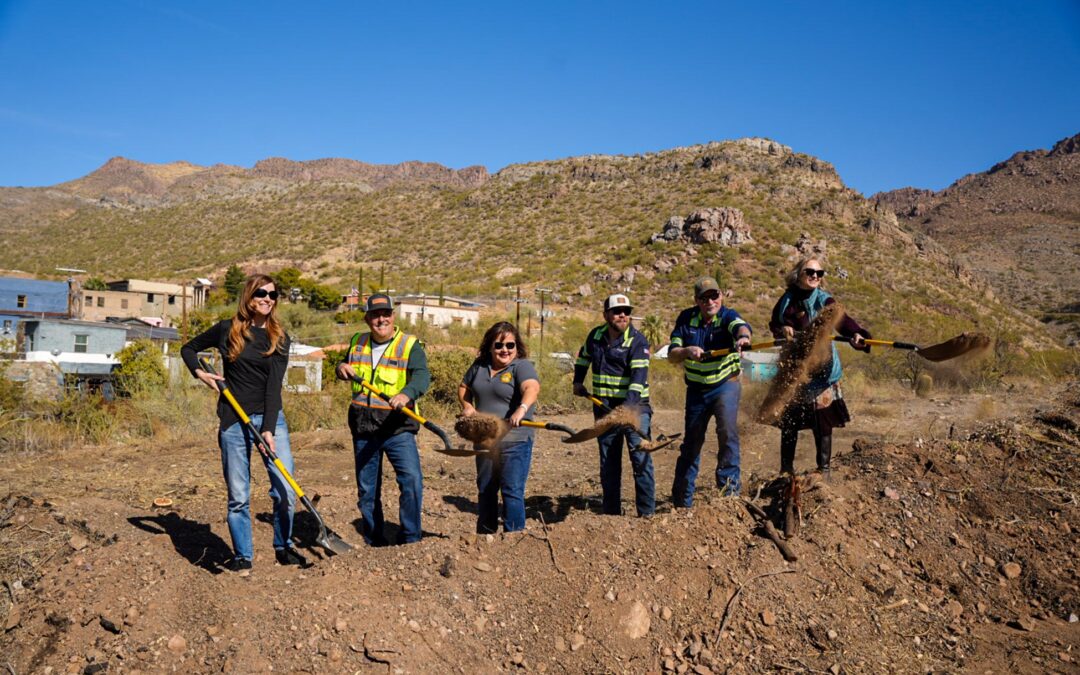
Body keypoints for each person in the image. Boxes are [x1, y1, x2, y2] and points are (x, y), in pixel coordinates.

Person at [181, 273, 306, 570]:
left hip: (269, 418)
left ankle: (284, 546)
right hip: (233, 421)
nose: (267, 299)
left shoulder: (280, 337)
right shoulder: (227, 330)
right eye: (261, 293)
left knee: (285, 489)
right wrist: (200, 372)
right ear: (249, 296)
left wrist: (268, 429)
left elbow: (274, 387)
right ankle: (242, 556)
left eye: (273, 295)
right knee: (238, 495)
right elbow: (188, 349)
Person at [335, 293, 429, 546]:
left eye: (385, 314)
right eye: (375, 315)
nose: (381, 319)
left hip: (397, 428)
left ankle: (410, 538)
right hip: (364, 428)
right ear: (367, 318)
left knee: (411, 482)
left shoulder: (409, 345)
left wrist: (406, 394)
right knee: (367, 490)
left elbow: (421, 377)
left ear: (393, 316)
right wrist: (341, 369)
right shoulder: (357, 341)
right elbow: (343, 365)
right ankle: (375, 540)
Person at [769, 258, 870, 476]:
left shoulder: (825, 301)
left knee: (822, 422)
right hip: (794, 369)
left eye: (819, 272)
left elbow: (844, 322)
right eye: (810, 271)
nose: (815, 276)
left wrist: (856, 335)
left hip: (822, 371)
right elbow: (775, 324)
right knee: (789, 422)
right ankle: (786, 471)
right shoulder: (786, 301)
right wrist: (782, 330)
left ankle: (824, 470)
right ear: (798, 274)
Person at [668, 276, 753, 504]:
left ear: (721, 296)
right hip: (696, 390)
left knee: (727, 434)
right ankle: (682, 500)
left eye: (714, 296)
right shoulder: (686, 319)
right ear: (697, 300)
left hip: (726, 384)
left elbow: (741, 328)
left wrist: (743, 339)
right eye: (704, 298)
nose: (710, 301)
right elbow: (671, 354)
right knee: (692, 442)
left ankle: (729, 495)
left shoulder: (728, 315)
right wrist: (686, 350)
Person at [572, 293, 655, 517]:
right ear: (606, 315)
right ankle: (611, 516)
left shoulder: (638, 341)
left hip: (635, 407)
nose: (622, 315)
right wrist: (578, 381)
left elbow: (638, 380)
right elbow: (583, 359)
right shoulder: (595, 336)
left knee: (640, 460)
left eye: (627, 311)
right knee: (609, 462)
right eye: (617, 311)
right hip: (603, 407)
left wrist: (625, 410)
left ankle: (647, 515)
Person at [458, 322, 540, 533]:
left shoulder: (521, 366)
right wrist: (467, 406)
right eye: (499, 345)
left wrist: (521, 409)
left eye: (510, 345)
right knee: (486, 489)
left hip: (515, 439)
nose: (505, 350)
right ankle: (486, 537)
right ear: (490, 346)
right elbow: (464, 387)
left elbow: (531, 387)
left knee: (512, 490)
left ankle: (512, 541)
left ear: (517, 346)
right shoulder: (479, 365)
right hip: (485, 439)